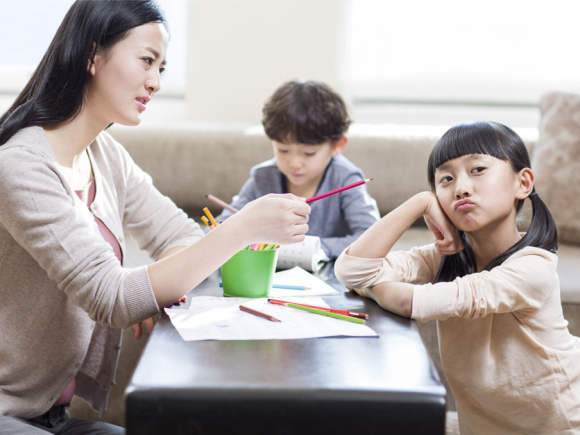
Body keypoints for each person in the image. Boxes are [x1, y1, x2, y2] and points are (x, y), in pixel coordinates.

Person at [0, 1, 310, 434]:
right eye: (147, 61)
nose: (156, 82)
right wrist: (244, 228)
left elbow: (178, 233)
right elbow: (113, 298)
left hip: (52, 415)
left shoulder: (104, 155)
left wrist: (151, 287)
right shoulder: (21, 166)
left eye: (162, 68)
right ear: (92, 56)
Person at [335, 121, 580, 434]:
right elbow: (351, 270)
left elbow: (415, 302)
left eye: (477, 169)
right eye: (446, 179)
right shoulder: (444, 259)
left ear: (523, 183)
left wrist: (378, 290)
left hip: (562, 426)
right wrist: (418, 203)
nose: (461, 187)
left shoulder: (534, 267)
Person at [215, 80, 379, 260]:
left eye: (308, 153)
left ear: (337, 145)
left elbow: (373, 237)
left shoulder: (345, 178)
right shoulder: (264, 176)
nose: (294, 163)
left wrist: (314, 249)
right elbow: (223, 224)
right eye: (283, 150)